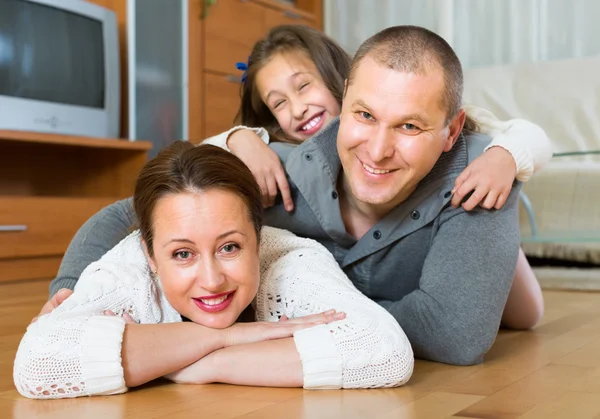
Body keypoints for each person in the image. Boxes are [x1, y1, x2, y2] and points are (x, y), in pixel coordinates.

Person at [40, 25, 546, 365]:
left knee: (525, 312)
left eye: (409, 126)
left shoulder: (482, 174)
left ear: (451, 131)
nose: (378, 148)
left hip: (496, 279)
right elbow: (125, 214)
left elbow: (457, 335)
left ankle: (501, 257)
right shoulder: (276, 170)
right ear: (345, 99)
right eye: (365, 115)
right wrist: (68, 290)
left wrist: (285, 320)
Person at [13, 142, 414, 399]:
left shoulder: (292, 256)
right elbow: (37, 364)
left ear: (259, 239)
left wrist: (199, 363)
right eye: (183, 255)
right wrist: (230, 336)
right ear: (150, 256)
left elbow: (386, 352)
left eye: (229, 247)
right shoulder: (127, 268)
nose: (211, 280)